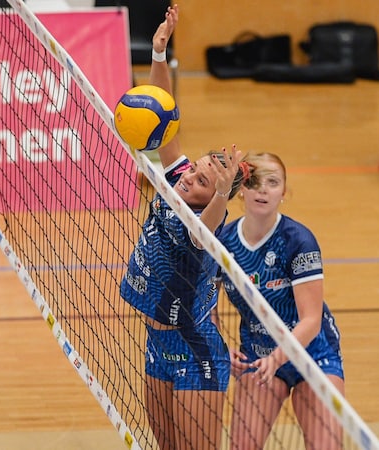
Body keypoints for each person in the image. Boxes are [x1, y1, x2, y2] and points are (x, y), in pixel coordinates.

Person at [119, 6, 246, 449]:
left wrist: (219, 195)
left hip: (196, 351)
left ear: (212, 194)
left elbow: (201, 233)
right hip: (157, 343)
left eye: (203, 179)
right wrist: (159, 51)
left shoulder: (205, 219)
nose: (190, 175)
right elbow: (163, 116)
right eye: (197, 170)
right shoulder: (177, 176)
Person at [217, 152, 345, 450]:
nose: (263, 189)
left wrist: (277, 359)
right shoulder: (222, 242)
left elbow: (311, 320)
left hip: (312, 357)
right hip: (258, 356)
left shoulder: (299, 241)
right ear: (243, 189)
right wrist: (221, 346)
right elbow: (206, 304)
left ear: (283, 193)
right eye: (256, 181)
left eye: (273, 182)